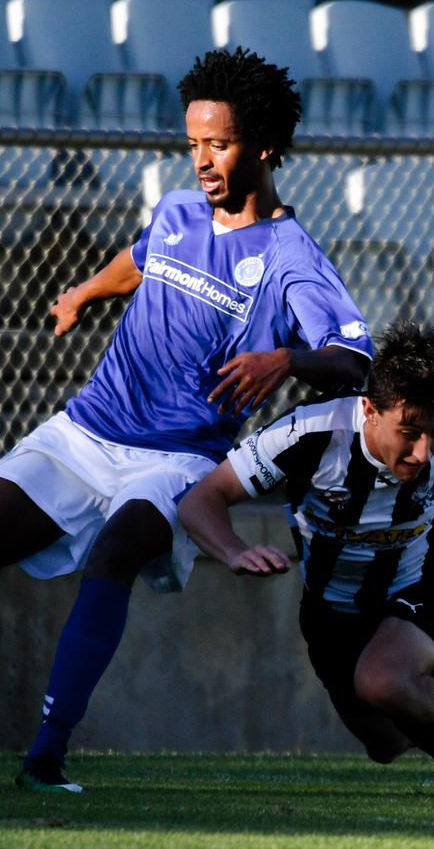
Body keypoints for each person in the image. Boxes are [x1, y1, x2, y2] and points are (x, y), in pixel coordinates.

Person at [0, 48, 372, 793]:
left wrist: (284, 363)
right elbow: (138, 261)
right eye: (192, 142)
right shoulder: (176, 210)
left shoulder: (292, 255)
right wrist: (82, 292)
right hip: (81, 433)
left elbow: (355, 359)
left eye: (218, 145)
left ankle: (46, 753)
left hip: (176, 459)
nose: (201, 160)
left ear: (264, 145)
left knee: (118, 547)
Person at [179, 321, 434, 765]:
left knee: (384, 681)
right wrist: (234, 549)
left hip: (416, 585)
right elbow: (202, 499)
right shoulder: (310, 432)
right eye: (409, 434)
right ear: (371, 409)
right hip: (331, 610)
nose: (423, 453)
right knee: (386, 743)